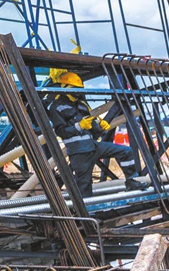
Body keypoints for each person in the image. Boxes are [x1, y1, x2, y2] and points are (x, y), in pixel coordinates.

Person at [44, 69, 146, 198]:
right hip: (78, 152)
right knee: (84, 186)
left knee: (126, 151)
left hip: (92, 146)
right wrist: (79, 126)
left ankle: (131, 181)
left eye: (78, 89)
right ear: (64, 87)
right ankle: (86, 215)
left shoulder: (81, 105)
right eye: (73, 88)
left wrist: (101, 127)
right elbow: (61, 132)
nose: (76, 93)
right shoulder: (56, 107)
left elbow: (93, 129)